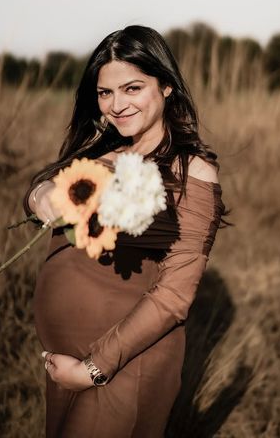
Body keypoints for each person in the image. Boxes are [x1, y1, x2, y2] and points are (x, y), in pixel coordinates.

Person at [23, 24, 230, 437]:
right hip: (66, 360)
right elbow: (40, 195)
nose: (116, 105)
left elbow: (174, 296)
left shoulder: (191, 172)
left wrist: (93, 368)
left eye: (132, 88)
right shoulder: (101, 154)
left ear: (166, 86)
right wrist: (39, 194)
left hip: (125, 364)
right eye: (105, 93)